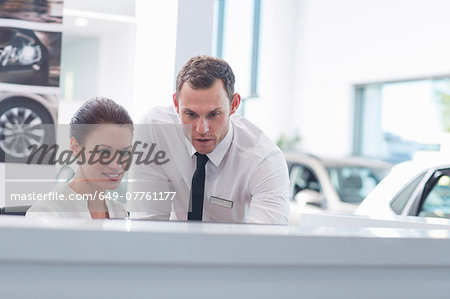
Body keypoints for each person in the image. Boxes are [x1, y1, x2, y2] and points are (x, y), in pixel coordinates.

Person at [128, 55, 290, 224]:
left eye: (214, 114)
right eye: (190, 114)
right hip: (173, 247)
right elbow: (147, 228)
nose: (201, 129)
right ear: (176, 104)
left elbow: (264, 243)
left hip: (234, 248)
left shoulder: (263, 160)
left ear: (234, 105)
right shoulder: (156, 132)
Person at [26, 97, 132, 219]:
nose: (116, 165)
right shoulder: (47, 213)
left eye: (124, 153)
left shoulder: (119, 212)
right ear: (76, 148)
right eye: (104, 152)